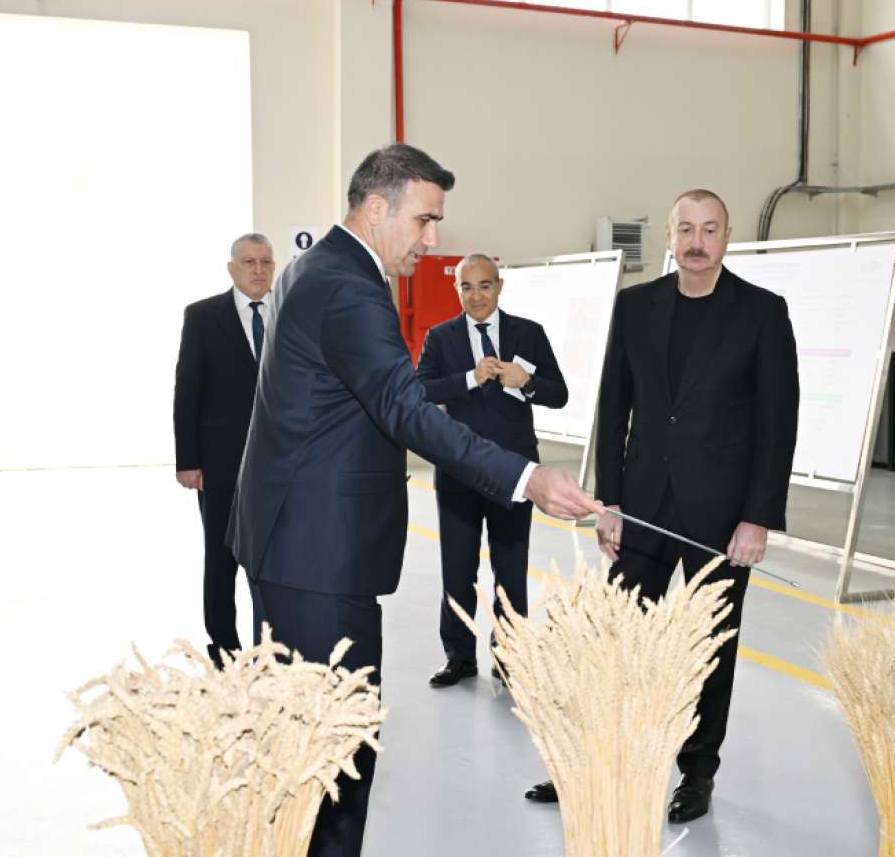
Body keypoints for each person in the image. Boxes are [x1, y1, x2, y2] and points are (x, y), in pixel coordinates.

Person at [228, 144, 600, 857]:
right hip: (317, 552)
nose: (432, 241)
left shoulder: (316, 267)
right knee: (335, 756)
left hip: (295, 540)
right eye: (425, 220)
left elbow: (362, 401)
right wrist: (526, 478)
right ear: (377, 207)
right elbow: (404, 409)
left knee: (301, 748)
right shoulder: (348, 286)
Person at [524, 188, 799, 823]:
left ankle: (697, 774)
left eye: (710, 229)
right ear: (669, 237)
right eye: (686, 229)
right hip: (643, 508)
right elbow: (613, 406)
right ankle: (593, 759)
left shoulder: (762, 312)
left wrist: (758, 517)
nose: (697, 242)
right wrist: (611, 503)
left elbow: (777, 423)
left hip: (722, 519)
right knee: (616, 641)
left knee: (711, 649)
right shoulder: (635, 306)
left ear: (727, 236)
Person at [416, 253, 569, 687]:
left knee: (511, 569)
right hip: (458, 472)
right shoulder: (441, 337)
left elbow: (559, 394)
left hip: (515, 473)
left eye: (485, 285)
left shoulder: (528, 333)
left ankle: (510, 657)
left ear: (499, 286)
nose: (476, 296)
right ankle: (459, 657)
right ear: (457, 290)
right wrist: (469, 377)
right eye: (466, 287)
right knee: (457, 570)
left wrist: (528, 382)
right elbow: (420, 390)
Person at [173, 232, 275, 664]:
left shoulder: (290, 314)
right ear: (232, 268)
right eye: (249, 262)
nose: (258, 270)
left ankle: (274, 646)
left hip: (280, 466)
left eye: (265, 262)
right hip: (221, 466)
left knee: (276, 561)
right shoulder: (202, 316)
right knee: (221, 559)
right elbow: (187, 392)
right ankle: (225, 648)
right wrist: (188, 460)